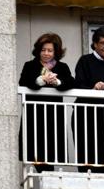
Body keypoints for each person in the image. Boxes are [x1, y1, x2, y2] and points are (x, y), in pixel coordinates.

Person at [19, 32, 76, 171]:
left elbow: (71, 82)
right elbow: (23, 81)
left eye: (50, 50)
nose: (46, 53)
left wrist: (56, 82)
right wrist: (41, 80)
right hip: (34, 116)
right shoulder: (30, 65)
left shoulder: (62, 67)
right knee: (35, 152)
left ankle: (47, 177)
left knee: (51, 152)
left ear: (56, 52)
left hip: (53, 116)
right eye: (43, 50)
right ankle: (44, 176)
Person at [73, 25, 104, 171]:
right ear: (95, 43)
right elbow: (78, 86)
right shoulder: (85, 61)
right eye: (103, 43)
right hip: (84, 118)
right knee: (86, 160)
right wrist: (93, 89)